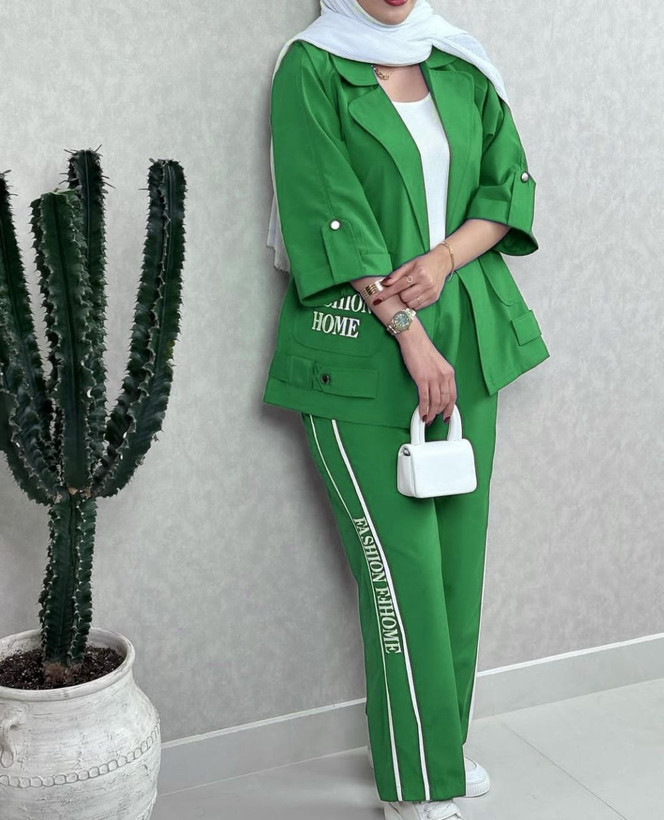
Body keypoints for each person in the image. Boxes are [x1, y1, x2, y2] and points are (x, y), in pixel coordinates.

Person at [262, 1, 550, 818]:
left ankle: (440, 748)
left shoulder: (458, 61)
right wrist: (407, 331)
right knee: (404, 572)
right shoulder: (312, 66)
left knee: (458, 562)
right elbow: (327, 213)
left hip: (470, 336)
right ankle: (415, 783)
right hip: (363, 348)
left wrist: (444, 259)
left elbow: (507, 187)